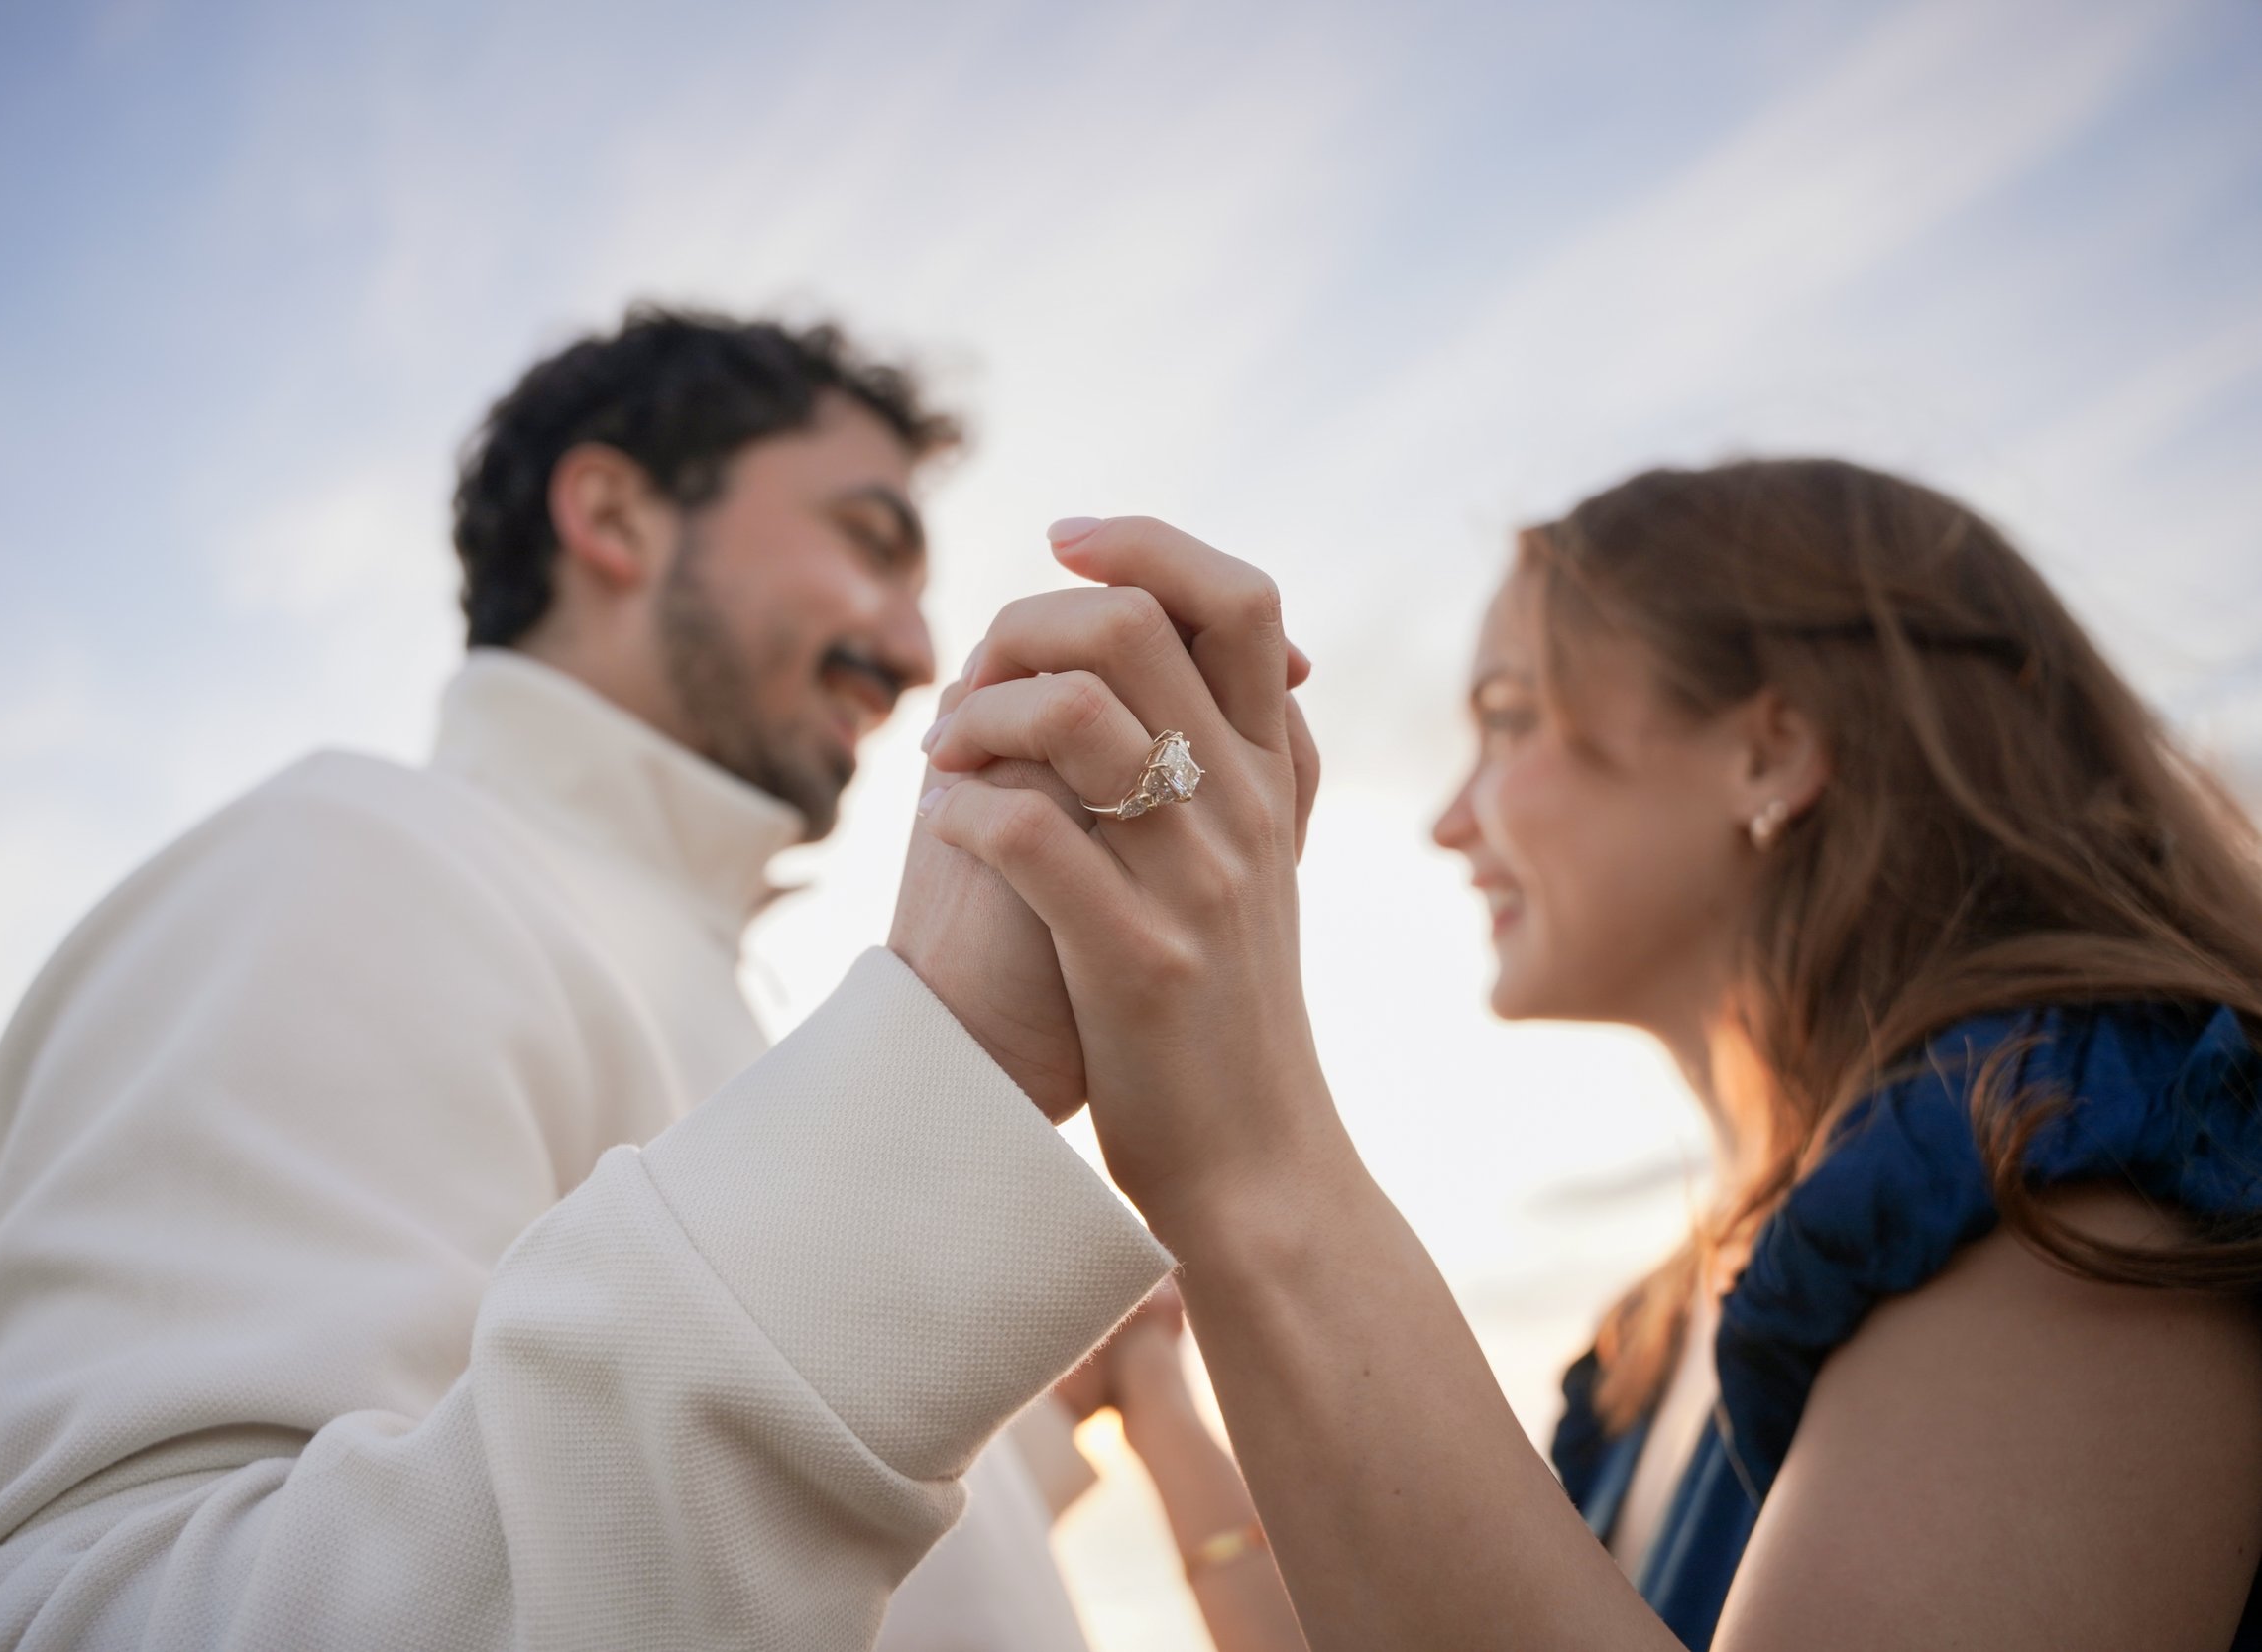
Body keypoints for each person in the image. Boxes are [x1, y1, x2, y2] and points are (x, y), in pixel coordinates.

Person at [0, 308, 1209, 1652]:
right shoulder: (344, 862)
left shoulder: (692, 977)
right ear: (614, 517)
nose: (918, 648)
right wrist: (949, 1081)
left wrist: (1020, 1404)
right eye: (870, 542)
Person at [922, 463, 2262, 1650]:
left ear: (1770, 751)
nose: (1452, 819)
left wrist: (1236, 1138)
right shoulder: (1651, 1341)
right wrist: (1161, 1394)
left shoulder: (2062, 1156)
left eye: (1510, 718)